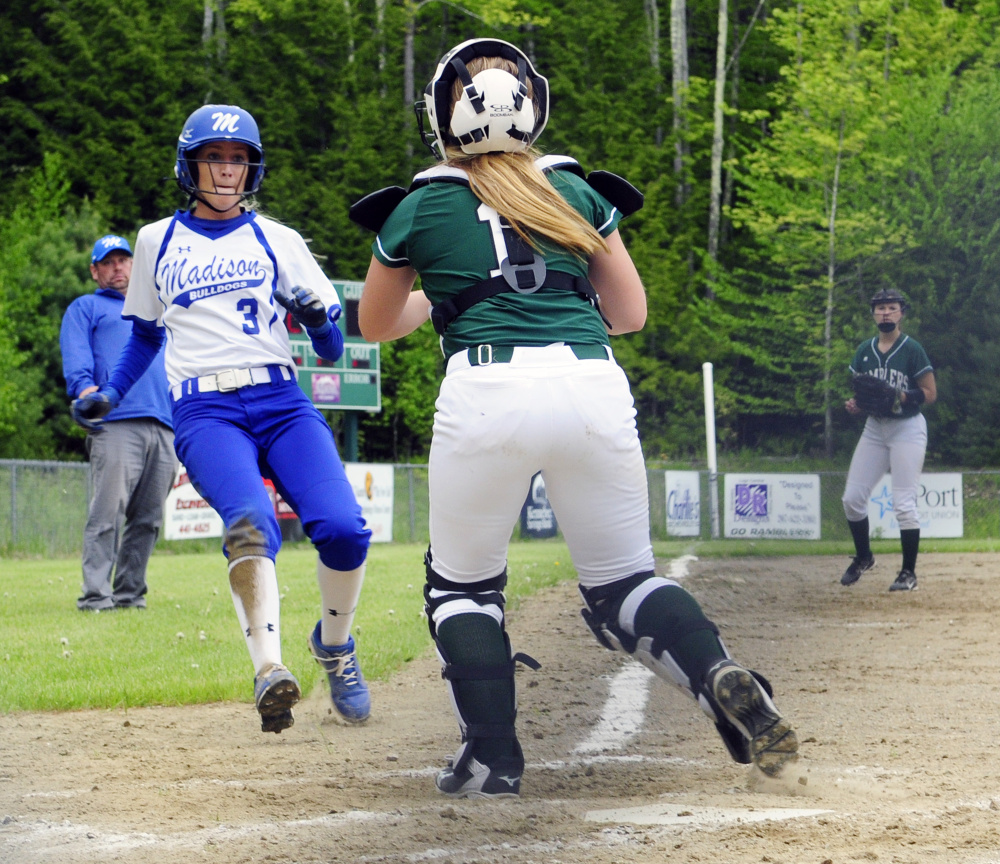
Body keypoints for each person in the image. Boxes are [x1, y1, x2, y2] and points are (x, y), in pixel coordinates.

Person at [352, 38, 799, 798]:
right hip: (589, 381)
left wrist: (456, 299)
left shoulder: (419, 205)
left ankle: (493, 756)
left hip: (486, 390)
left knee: (463, 590)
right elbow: (629, 315)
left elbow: (375, 324)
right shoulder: (578, 192)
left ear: (442, 117)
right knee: (624, 583)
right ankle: (717, 671)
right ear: (532, 109)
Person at [72, 104, 372, 732]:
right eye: (215, 156)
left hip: (281, 400)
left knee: (344, 530)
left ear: (253, 167)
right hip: (205, 409)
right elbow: (147, 338)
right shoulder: (156, 240)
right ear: (190, 164)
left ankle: (336, 647)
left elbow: (332, 349)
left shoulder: (279, 240)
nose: (228, 168)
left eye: (240, 158)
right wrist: (113, 392)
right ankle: (270, 670)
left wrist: (319, 321)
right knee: (248, 521)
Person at [60, 235, 178, 611]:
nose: (118, 268)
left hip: (164, 423)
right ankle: (96, 595)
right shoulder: (86, 307)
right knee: (107, 512)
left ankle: (130, 595)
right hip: (115, 423)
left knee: (148, 519)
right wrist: (85, 392)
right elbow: (77, 362)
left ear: (134, 265)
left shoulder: (157, 311)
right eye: (107, 263)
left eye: (123, 261)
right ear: (95, 271)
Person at [841, 288, 937, 591]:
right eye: (880, 308)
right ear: (873, 314)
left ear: (901, 313)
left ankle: (908, 573)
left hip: (907, 428)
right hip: (874, 429)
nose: (885, 312)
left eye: (891, 307)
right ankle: (864, 556)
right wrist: (856, 404)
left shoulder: (912, 349)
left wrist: (903, 395)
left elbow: (931, 394)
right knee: (852, 499)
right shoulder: (864, 350)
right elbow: (861, 394)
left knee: (904, 504)